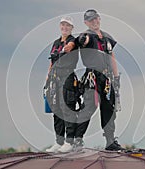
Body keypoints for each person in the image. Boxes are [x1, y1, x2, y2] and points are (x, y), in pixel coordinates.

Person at [77, 9, 125, 151]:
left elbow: (112, 58)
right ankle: (77, 140)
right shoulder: (86, 36)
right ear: (86, 22)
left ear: (99, 19)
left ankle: (110, 141)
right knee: (89, 107)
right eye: (91, 20)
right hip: (92, 76)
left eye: (96, 19)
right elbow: (83, 41)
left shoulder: (107, 37)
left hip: (107, 77)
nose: (94, 22)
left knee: (109, 109)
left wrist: (116, 78)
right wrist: (82, 40)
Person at [45, 16, 86, 153]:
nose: (65, 27)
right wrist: (47, 79)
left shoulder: (72, 41)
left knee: (66, 107)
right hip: (54, 78)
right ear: (60, 26)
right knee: (56, 109)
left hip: (67, 76)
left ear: (71, 28)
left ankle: (69, 141)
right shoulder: (56, 43)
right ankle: (59, 141)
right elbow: (52, 61)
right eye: (63, 25)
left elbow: (71, 46)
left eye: (68, 25)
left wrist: (68, 47)